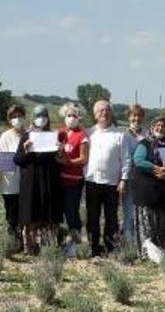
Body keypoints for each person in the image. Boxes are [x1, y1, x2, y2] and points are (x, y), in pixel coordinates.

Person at [85, 100, 132, 257]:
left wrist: (124, 179)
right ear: (95, 114)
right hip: (92, 181)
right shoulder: (88, 133)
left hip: (112, 183)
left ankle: (110, 246)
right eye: (100, 111)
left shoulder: (120, 135)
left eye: (107, 110)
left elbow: (126, 159)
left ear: (111, 113)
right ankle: (93, 246)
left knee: (111, 217)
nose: (104, 113)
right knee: (92, 216)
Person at [14, 105, 63, 254]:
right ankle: (30, 247)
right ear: (33, 118)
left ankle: (48, 248)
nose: (40, 119)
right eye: (37, 116)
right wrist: (27, 151)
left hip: (49, 181)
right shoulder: (27, 136)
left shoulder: (53, 136)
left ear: (48, 118)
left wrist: (60, 151)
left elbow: (58, 161)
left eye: (43, 115)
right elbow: (18, 160)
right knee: (31, 213)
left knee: (48, 213)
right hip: (31, 183)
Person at [131, 116, 165, 258]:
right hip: (146, 192)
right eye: (157, 125)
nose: (160, 128)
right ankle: (148, 256)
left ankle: (161, 253)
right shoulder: (144, 143)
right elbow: (138, 160)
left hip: (163, 193)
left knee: (162, 224)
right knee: (147, 225)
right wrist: (156, 168)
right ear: (152, 126)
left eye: (163, 126)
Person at [56, 103, 89, 246]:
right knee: (60, 210)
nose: (71, 118)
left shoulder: (82, 135)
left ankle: (75, 239)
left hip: (74, 180)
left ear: (79, 117)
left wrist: (67, 162)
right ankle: (62, 238)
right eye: (69, 115)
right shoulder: (60, 133)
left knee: (71, 210)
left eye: (74, 115)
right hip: (59, 179)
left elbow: (84, 159)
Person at [0, 104, 26, 245]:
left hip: (27, 182)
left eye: (20, 116)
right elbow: (0, 157)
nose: (17, 119)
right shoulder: (5, 136)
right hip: (10, 183)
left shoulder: (30, 134)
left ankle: (27, 241)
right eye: (14, 117)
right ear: (9, 120)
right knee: (12, 215)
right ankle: (14, 242)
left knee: (26, 214)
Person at [122, 104, 146, 242]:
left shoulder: (147, 133)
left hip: (144, 180)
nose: (136, 118)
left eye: (139, 115)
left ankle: (141, 242)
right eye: (133, 115)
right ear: (129, 117)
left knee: (142, 213)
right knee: (129, 212)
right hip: (129, 178)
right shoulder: (123, 135)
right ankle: (128, 243)